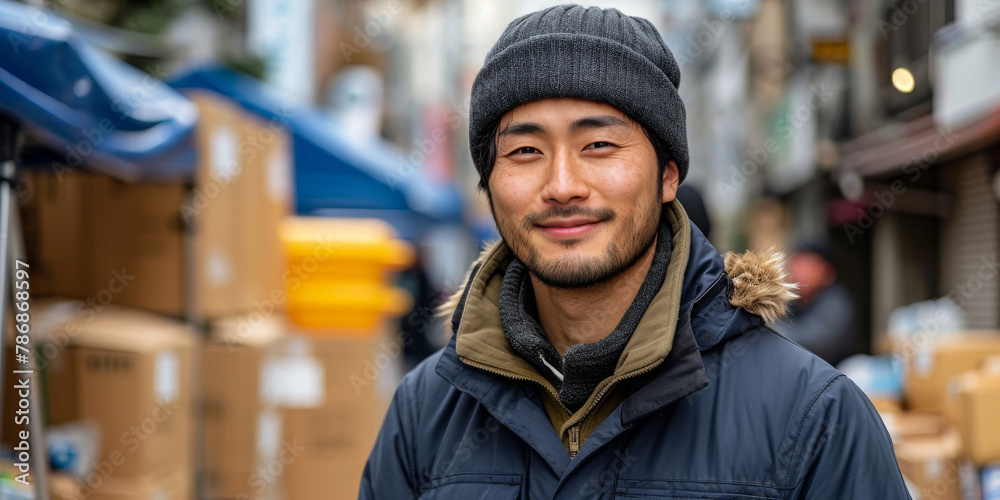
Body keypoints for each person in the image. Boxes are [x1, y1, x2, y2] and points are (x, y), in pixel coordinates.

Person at [361, 5, 910, 499]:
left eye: (598, 145)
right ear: (489, 182)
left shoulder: (814, 417)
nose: (562, 184)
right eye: (525, 150)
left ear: (668, 174)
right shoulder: (425, 412)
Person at [774, 242, 859, 367]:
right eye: (796, 264)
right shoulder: (792, 301)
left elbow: (807, 344)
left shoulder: (836, 304)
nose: (797, 271)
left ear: (827, 272)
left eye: (807, 265)